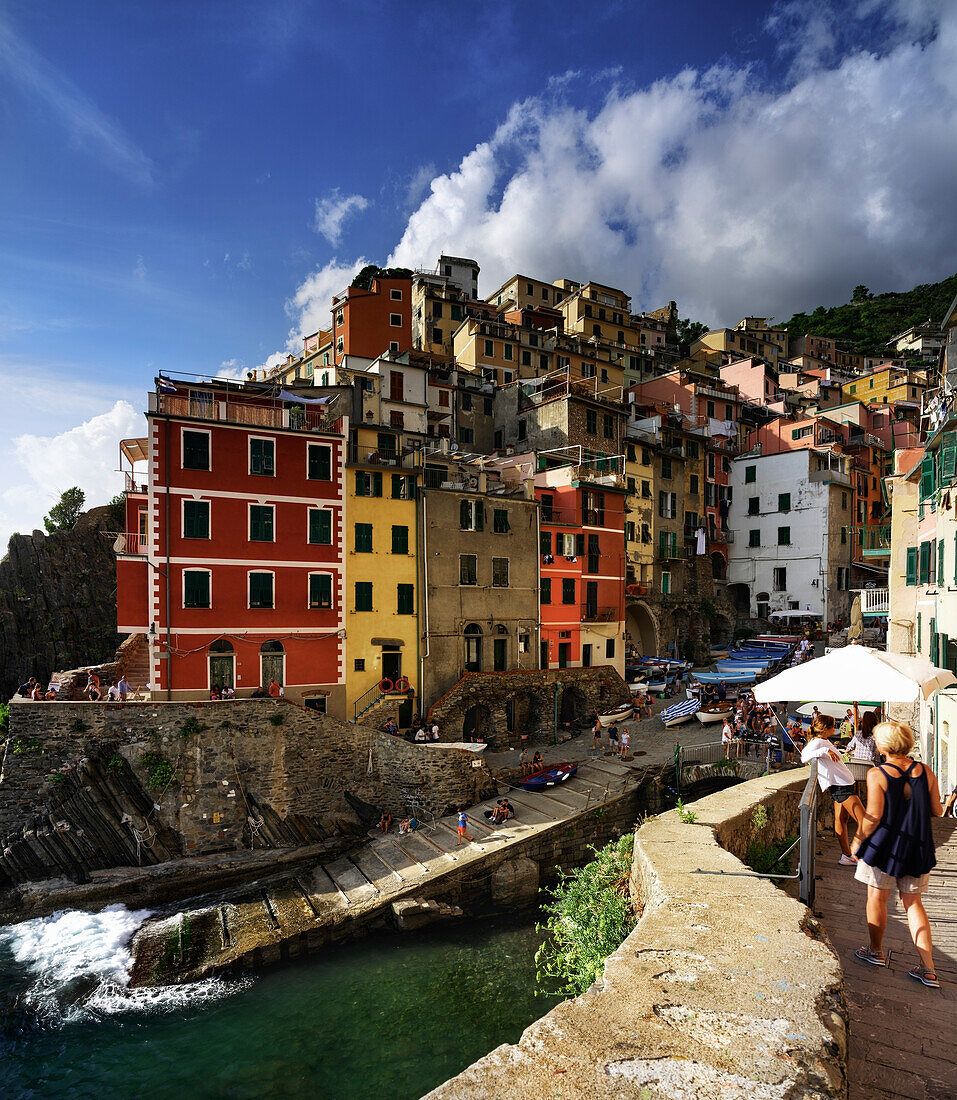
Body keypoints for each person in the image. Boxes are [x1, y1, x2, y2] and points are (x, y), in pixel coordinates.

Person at [851, 720, 944, 988]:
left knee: (876, 897)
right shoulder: (925, 771)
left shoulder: (877, 774)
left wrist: (857, 839)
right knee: (913, 903)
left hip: (884, 847)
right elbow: (937, 810)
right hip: (917, 846)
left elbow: (873, 816)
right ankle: (928, 969)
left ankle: (875, 951)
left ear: (884, 745)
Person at [801, 714, 866, 865]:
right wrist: (824, 752)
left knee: (841, 820)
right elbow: (804, 757)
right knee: (865, 822)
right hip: (841, 787)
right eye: (833, 725)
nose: (835, 727)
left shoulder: (823, 741)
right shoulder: (818, 742)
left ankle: (847, 856)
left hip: (843, 785)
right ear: (827, 729)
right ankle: (863, 854)